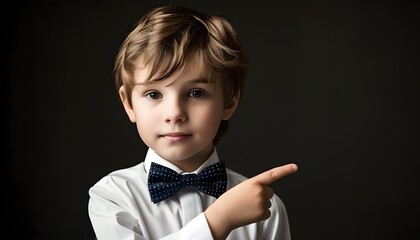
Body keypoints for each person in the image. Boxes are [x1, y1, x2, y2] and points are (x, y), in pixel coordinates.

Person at [88, 4, 298, 240]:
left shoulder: (265, 206)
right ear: (129, 104)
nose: (174, 113)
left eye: (196, 93)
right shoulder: (111, 195)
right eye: (154, 94)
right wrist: (220, 219)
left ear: (228, 103)